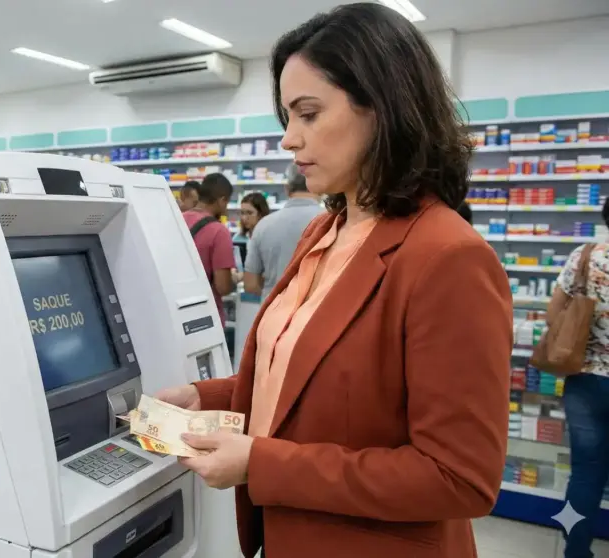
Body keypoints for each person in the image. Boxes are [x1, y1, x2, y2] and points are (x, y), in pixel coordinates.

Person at [155, 4, 511, 557]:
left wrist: (259, 462)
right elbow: (302, 387)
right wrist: (204, 397)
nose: (289, 141)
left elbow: (458, 476)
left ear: (382, 107)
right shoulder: (324, 232)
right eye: (287, 117)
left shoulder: (448, 257)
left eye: (309, 113)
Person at [553, 203, 609, 558]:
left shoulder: (585, 256)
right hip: (588, 380)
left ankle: (575, 550)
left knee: (584, 476)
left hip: (585, 379)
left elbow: (553, 312)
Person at [243, 164, 323, 297]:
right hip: (315, 311)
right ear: (318, 187)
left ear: (286, 189)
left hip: (273, 310)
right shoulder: (333, 221)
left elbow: (250, 285)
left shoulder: (263, 225)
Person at [181, 173, 236, 325]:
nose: (225, 209)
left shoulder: (177, 219)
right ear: (222, 200)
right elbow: (223, 287)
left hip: (178, 309)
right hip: (206, 316)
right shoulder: (219, 231)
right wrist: (234, 280)